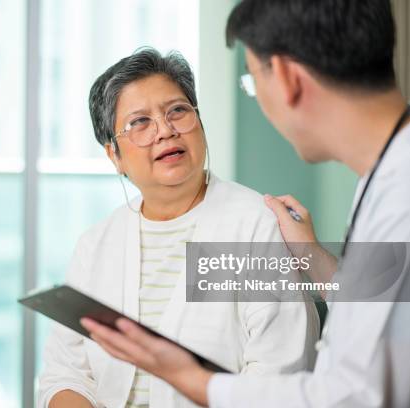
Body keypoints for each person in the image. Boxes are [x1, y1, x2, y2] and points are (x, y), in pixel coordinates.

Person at [81, 1, 410, 407]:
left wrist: (190, 379)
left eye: (252, 83)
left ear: (286, 77)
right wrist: (315, 259)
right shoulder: (396, 175)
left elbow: (360, 396)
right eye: (140, 122)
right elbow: (392, 313)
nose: (165, 132)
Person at [39, 48, 320, 408]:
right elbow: (66, 373)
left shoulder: (259, 226)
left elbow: (279, 377)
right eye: (140, 122)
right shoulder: (95, 244)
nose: (166, 131)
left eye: (178, 111)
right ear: (114, 156)